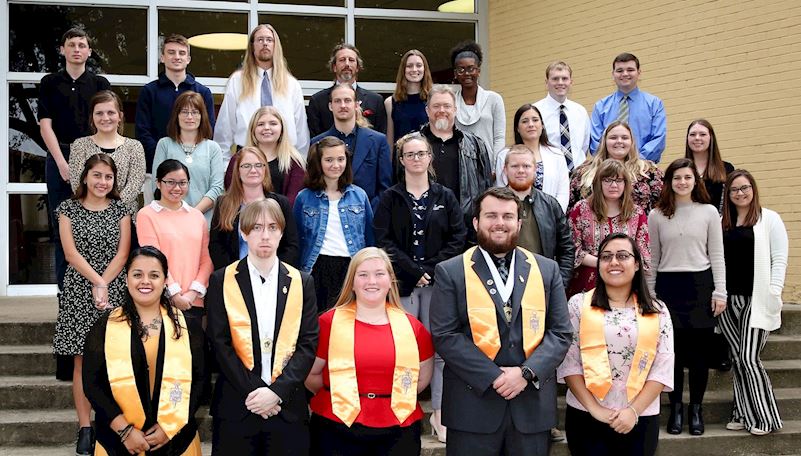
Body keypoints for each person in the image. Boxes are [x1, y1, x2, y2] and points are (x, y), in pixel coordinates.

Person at [430, 187, 572, 455]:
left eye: (508, 216)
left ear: (519, 223)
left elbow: (561, 333)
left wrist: (526, 373)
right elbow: (445, 335)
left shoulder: (546, 269)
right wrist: (494, 377)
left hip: (530, 408)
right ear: (476, 222)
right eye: (491, 215)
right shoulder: (450, 271)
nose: (499, 223)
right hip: (472, 407)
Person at [206, 198, 319, 455]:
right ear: (244, 233)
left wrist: (276, 392)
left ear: (282, 232)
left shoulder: (302, 282)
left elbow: (308, 344)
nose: (265, 235)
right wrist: (256, 391)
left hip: (286, 405)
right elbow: (219, 342)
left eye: (272, 227)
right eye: (256, 228)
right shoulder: (221, 279)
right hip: (238, 405)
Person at [373, 133, 466, 442]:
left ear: (430, 158)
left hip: (439, 284)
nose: (415, 159)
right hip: (404, 286)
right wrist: (414, 270)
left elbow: (458, 238)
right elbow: (383, 240)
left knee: (440, 349)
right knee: (403, 349)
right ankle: (404, 407)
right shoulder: (389, 198)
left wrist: (432, 269)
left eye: (420, 153)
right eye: (409, 154)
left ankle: (440, 413)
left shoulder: (445, 196)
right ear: (401, 161)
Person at [305, 247, 434, 455]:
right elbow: (311, 375)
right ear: (352, 282)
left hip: (398, 431)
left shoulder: (413, 327)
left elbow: (421, 380)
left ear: (390, 280)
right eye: (363, 275)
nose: (371, 281)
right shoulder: (328, 323)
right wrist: (343, 393)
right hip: (336, 428)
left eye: (379, 274)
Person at [557, 233, 674, 456]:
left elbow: (662, 367)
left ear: (637, 263)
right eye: (606, 256)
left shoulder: (658, 310)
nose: (614, 262)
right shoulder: (578, 305)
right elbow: (569, 363)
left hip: (640, 416)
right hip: (586, 413)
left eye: (622, 256)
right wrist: (596, 409)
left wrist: (633, 411)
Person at [82, 246, 204, 456]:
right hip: (117, 442)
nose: (145, 281)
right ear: (126, 278)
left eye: (154, 275)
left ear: (165, 280)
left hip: (177, 441)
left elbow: (200, 382)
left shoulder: (187, 326)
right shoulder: (104, 327)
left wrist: (171, 426)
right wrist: (124, 431)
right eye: (137, 274)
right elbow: (92, 384)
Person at [53, 154, 131, 455]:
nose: (102, 182)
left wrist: (105, 283)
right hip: (79, 290)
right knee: (81, 361)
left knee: (114, 360)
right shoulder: (68, 209)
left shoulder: (122, 209)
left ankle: (113, 423)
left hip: (115, 289)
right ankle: (85, 428)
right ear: (85, 177)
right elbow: (70, 255)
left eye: (108, 177)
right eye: (97, 175)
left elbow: (123, 255)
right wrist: (97, 282)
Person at [647, 158, 726, 436]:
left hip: (701, 285)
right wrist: (652, 294)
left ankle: (696, 409)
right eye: (677, 177)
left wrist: (720, 291)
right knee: (674, 355)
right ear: (669, 182)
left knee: (700, 356)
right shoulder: (656, 215)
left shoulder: (708, 213)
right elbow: (653, 258)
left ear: (696, 181)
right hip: (669, 287)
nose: (682, 182)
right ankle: (676, 409)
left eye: (687, 177)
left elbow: (717, 255)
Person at [39, 27, 111, 288]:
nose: (77, 49)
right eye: (72, 45)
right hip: (59, 155)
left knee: (94, 227)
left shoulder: (99, 84)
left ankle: (96, 288)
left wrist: (94, 162)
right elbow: (45, 124)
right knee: (62, 227)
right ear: (63, 50)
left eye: (82, 45)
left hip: (93, 156)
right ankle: (65, 290)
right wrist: (61, 161)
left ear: (89, 51)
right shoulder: (50, 83)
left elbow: (105, 123)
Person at [719, 170, 788, 436]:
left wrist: (774, 291)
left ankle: (766, 417)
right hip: (728, 300)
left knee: (749, 358)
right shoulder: (721, 220)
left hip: (756, 299)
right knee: (737, 358)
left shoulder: (769, 219)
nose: (740, 193)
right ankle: (742, 412)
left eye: (744, 188)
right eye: (734, 190)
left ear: (753, 188)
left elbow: (779, 259)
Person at [293, 137, 374, 312]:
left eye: (340, 159)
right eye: (329, 160)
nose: (336, 165)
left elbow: (370, 238)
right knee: (320, 322)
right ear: (318, 162)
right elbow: (297, 239)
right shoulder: (304, 198)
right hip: (317, 268)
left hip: (351, 267)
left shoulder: (359, 196)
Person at [135, 34, 215, 203]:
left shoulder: (203, 92)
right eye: (171, 52)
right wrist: (164, 157)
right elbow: (142, 132)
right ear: (162, 57)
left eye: (181, 53)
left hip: (196, 174)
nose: (176, 57)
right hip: (157, 172)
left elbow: (208, 131)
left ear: (188, 58)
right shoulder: (149, 92)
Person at [215, 24, 309, 162]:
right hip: (247, 157)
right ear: (252, 46)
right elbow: (225, 127)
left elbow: (301, 131)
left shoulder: (291, 84)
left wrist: (301, 164)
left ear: (276, 46)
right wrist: (225, 165)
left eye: (269, 40)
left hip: (284, 159)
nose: (265, 43)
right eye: (260, 40)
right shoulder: (237, 81)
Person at [136, 159, 213, 322]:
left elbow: (206, 260)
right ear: (158, 183)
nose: (177, 188)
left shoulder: (197, 216)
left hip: (193, 303)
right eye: (170, 182)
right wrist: (174, 294)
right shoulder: (146, 214)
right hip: (160, 299)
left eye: (182, 183)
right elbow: (153, 259)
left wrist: (192, 294)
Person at [568, 159, 650, 298]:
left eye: (619, 180)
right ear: (598, 183)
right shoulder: (581, 209)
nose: (613, 185)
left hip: (626, 284)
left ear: (626, 184)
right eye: (607, 180)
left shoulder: (637, 213)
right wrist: (603, 262)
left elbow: (643, 253)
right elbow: (572, 249)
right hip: (587, 285)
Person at [420, 84, 493, 238]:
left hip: (464, 229)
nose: (441, 111)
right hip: (422, 227)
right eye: (436, 106)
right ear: (427, 111)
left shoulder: (476, 145)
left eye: (447, 106)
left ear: (455, 109)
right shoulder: (412, 144)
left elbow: (487, 189)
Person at [210, 146, 299, 269]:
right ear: (238, 171)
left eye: (258, 165)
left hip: (273, 276)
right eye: (246, 166)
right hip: (233, 276)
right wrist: (235, 273)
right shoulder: (224, 203)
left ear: (265, 170)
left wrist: (275, 272)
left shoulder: (280, 203)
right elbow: (216, 245)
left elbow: (291, 245)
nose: (253, 170)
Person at [502, 144, 574, 289]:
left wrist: (559, 284)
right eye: (515, 166)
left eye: (526, 166)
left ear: (535, 170)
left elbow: (566, 248)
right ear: (505, 170)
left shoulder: (550, 205)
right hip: (501, 283)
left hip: (541, 284)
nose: (521, 170)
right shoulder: (492, 204)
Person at [310, 83, 392, 209]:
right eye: (337, 101)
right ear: (330, 106)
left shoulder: (378, 141)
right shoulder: (317, 143)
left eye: (347, 100)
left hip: (368, 218)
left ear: (356, 105)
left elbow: (385, 188)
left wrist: (368, 214)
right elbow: (313, 185)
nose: (343, 105)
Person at [69, 90, 146, 217]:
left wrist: (110, 209)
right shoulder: (80, 146)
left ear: (120, 116)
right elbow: (77, 183)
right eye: (99, 113)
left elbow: (134, 184)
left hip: (124, 217)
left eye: (110, 112)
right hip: (88, 216)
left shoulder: (134, 147)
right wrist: (96, 208)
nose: (105, 118)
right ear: (92, 117)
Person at [152, 91, 224, 226]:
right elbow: (157, 185)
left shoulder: (213, 148)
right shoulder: (164, 144)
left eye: (195, 112)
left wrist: (192, 214)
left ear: (202, 116)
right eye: (184, 112)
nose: (190, 117)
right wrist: (178, 215)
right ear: (176, 116)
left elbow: (217, 188)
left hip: (203, 223)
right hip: (169, 221)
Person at [570, 121, 662, 215]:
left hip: (639, 227)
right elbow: (570, 207)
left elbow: (664, 205)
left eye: (624, 138)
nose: (619, 141)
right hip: (592, 227)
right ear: (604, 141)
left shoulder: (649, 170)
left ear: (632, 142)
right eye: (613, 137)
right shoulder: (584, 171)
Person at [589, 53, 666, 163]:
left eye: (630, 70)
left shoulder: (654, 104)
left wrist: (636, 161)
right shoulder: (600, 106)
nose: (625, 74)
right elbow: (595, 141)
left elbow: (658, 139)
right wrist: (613, 164)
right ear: (613, 74)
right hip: (608, 171)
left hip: (643, 169)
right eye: (619, 71)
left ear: (639, 73)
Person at [224, 106, 306, 206]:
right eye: (260, 124)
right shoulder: (238, 159)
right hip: (244, 216)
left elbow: (293, 199)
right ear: (253, 130)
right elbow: (232, 192)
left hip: (279, 218)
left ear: (282, 129)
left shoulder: (295, 161)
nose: (267, 128)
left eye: (273, 123)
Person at [494, 104, 570, 212]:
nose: (531, 125)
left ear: (542, 125)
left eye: (535, 120)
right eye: (525, 121)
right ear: (517, 128)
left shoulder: (557, 155)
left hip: (550, 219)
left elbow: (563, 193)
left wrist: (553, 216)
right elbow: (501, 191)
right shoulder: (505, 155)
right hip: (516, 218)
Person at [307, 43, 386, 137]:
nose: (347, 64)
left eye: (351, 60)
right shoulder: (318, 100)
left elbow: (381, 138)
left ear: (357, 67)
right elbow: (315, 140)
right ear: (334, 67)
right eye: (342, 60)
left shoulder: (376, 100)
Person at [450, 40, 506, 161]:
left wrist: (496, 166)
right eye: (461, 69)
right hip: (460, 166)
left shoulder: (494, 99)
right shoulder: (450, 101)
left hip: (488, 167)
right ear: (455, 73)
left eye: (471, 68)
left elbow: (499, 137)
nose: (466, 73)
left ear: (478, 71)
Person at [534, 61, 590, 171]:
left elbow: (584, 146)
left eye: (564, 79)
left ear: (571, 82)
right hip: (549, 174)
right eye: (555, 79)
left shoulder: (580, 111)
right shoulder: (535, 111)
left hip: (577, 177)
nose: (560, 82)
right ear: (546, 82)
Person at [384, 49, 433, 147]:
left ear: (425, 69)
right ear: (403, 70)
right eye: (409, 66)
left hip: (428, 159)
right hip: (401, 159)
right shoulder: (390, 102)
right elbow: (390, 140)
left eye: (419, 65)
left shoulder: (433, 99)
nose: (414, 69)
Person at [684, 119, 734, 213]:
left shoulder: (726, 169)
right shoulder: (679, 169)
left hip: (719, 225)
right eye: (692, 134)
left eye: (702, 134)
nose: (697, 138)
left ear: (711, 138)